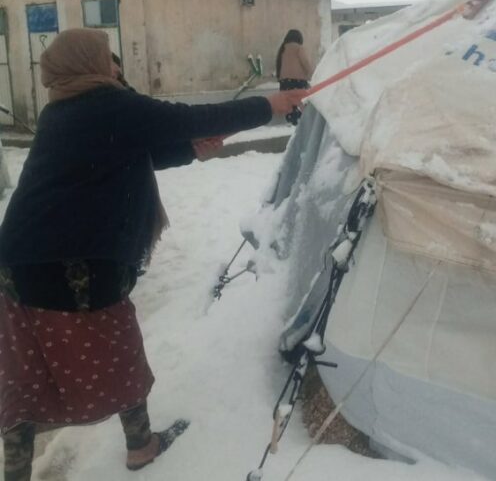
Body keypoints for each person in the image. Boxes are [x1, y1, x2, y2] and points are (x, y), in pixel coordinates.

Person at [0, 28, 307, 481]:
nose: (115, 65)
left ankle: (17, 472)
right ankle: (141, 446)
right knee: (118, 352)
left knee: (26, 372)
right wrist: (271, 105)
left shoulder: (63, 109)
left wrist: (189, 149)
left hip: (18, 261)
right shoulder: (106, 104)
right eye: (107, 57)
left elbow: (127, 152)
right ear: (87, 63)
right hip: (72, 263)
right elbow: (187, 118)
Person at [276, 30, 313, 125]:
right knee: (301, 103)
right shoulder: (299, 48)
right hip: (298, 81)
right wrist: (311, 76)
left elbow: (279, 65)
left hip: (284, 82)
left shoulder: (282, 49)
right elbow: (306, 64)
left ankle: (291, 121)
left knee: (289, 104)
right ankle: (300, 124)